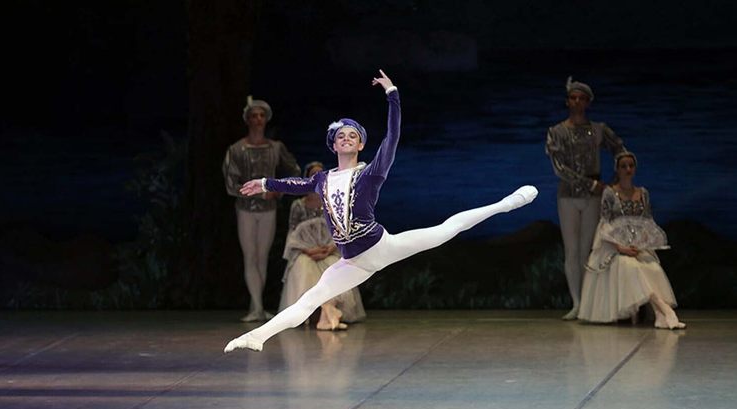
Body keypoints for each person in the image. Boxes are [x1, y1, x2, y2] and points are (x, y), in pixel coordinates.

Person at [224, 69, 538, 353]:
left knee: (446, 230)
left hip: (380, 246)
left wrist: (392, 95)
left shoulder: (370, 173)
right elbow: (295, 184)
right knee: (308, 300)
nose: (347, 139)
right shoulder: (322, 179)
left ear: (360, 144)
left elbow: (393, 137)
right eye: (341, 136)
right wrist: (264, 183)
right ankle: (258, 336)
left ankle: (507, 203)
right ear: (334, 145)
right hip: (351, 262)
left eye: (353, 135)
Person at [546, 77, 627, 320]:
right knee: (571, 250)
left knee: (587, 249)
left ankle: (589, 302)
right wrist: (591, 184)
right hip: (569, 195)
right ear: (567, 101)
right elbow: (559, 168)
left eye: (582, 98)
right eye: (573, 98)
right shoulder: (557, 132)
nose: (577, 102)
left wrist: (615, 181)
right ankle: (577, 302)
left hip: (593, 196)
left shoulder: (599, 129)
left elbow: (620, 149)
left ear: (588, 102)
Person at [577, 151, 685, 329]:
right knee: (630, 267)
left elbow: (647, 222)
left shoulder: (642, 193)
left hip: (637, 245)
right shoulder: (610, 193)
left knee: (652, 267)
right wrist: (621, 247)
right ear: (617, 170)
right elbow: (605, 223)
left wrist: (641, 244)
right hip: (614, 246)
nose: (628, 169)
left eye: (631, 166)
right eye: (623, 166)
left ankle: (659, 315)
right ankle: (666, 310)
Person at [222, 96, 301, 322]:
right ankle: (256, 307)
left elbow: (294, 171)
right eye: (254, 116)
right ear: (247, 119)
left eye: (261, 116)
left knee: (262, 257)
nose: (258, 120)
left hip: (268, 209)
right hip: (246, 209)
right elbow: (231, 183)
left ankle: (257, 306)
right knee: (250, 256)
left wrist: (279, 190)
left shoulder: (275, 148)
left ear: (266, 119)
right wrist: (256, 192)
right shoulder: (236, 149)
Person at [280, 161, 366, 330]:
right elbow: (293, 233)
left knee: (336, 267)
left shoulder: (333, 202)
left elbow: (342, 230)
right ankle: (324, 314)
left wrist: (330, 248)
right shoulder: (298, 205)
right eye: (313, 175)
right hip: (306, 252)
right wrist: (308, 250)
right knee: (303, 267)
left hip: (329, 250)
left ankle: (327, 313)